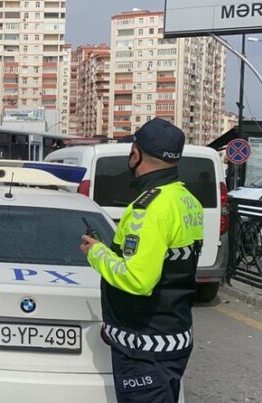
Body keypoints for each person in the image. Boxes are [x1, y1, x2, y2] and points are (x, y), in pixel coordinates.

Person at [79, 118, 204, 403]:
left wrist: (96, 253)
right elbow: (170, 267)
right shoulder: (186, 200)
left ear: (135, 154)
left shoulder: (149, 209)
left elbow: (138, 280)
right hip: (173, 335)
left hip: (145, 347)